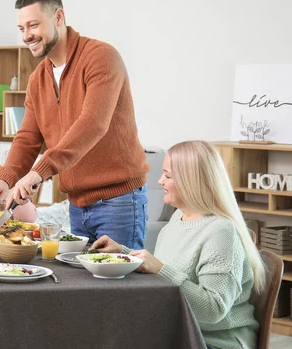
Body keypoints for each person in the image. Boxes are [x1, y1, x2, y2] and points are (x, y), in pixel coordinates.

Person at [0, 0, 149, 248]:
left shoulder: (101, 57)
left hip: (118, 202)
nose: (27, 36)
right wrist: (5, 177)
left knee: (119, 289)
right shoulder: (38, 79)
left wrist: (40, 171)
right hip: (77, 204)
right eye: (22, 28)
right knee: (81, 288)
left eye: (33, 25)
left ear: (59, 17)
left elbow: (93, 124)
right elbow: (27, 139)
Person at [91, 141, 266, 349]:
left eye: (168, 175)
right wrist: (123, 252)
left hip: (215, 342)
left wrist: (161, 269)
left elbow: (213, 310)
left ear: (191, 181)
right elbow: (167, 270)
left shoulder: (221, 232)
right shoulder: (178, 219)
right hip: (179, 332)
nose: (160, 180)